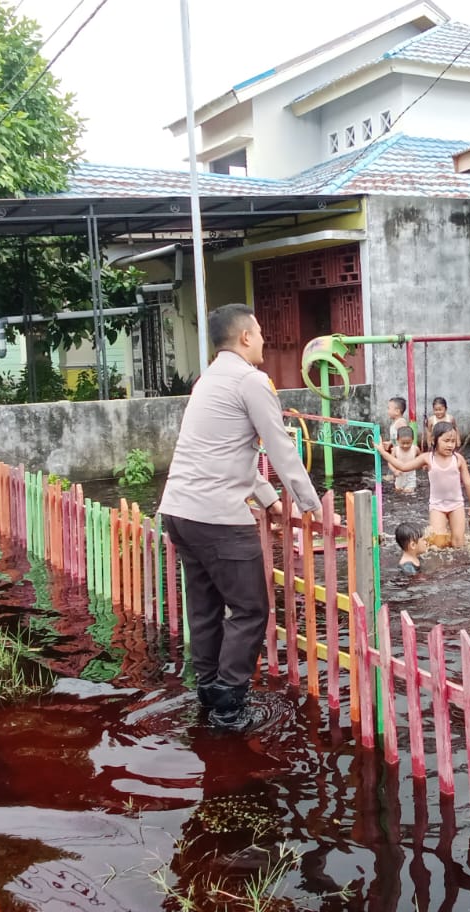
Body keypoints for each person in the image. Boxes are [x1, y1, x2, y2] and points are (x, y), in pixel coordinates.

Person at [159, 303, 327, 732]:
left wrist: (269, 497)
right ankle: (229, 706)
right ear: (246, 337)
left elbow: (228, 454)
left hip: (179, 510)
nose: (265, 340)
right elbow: (280, 447)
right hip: (216, 516)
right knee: (251, 609)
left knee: (204, 607)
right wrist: (312, 505)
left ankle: (209, 690)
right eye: (260, 332)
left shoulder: (208, 381)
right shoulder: (252, 381)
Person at [376, 420, 470, 548]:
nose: (450, 445)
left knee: (459, 543)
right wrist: (384, 453)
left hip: (456, 505)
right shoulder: (428, 458)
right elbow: (403, 466)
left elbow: (468, 484)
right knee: (438, 544)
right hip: (437, 506)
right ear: (434, 440)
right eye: (446, 441)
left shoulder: (458, 459)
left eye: (452, 441)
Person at [391, 425, 420, 493]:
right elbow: (390, 462)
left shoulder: (415, 449)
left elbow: (421, 458)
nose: (405, 445)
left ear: (412, 440)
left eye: (408, 443)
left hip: (411, 475)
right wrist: (394, 470)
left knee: (409, 492)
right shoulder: (395, 450)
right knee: (398, 491)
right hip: (400, 474)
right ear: (397, 440)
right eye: (403, 443)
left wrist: (422, 465)